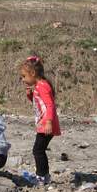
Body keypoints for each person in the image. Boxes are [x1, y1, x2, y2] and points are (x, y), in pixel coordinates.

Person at [20, 55, 60, 185]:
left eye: (24, 76)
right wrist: (29, 94)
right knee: (39, 150)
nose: (23, 79)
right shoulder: (39, 86)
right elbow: (37, 102)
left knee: (38, 150)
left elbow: (50, 105)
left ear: (33, 73)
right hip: (44, 123)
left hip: (47, 123)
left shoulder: (42, 86)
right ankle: (44, 176)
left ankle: (42, 177)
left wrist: (48, 122)